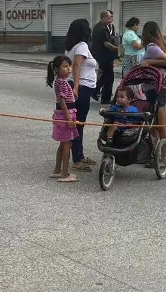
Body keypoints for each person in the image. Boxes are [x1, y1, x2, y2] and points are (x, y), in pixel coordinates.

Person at [63, 19, 97, 172]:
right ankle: (77, 159)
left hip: (80, 86)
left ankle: (79, 155)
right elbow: (77, 65)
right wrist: (76, 87)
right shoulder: (82, 46)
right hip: (81, 87)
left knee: (78, 123)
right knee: (78, 123)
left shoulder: (71, 47)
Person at [137, 21, 166, 149]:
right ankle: (154, 152)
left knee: (161, 126)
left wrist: (148, 62)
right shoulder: (156, 46)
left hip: (158, 89)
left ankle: (164, 155)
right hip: (154, 89)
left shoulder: (152, 47)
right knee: (155, 124)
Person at [47, 56, 79, 183]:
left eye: (70, 66)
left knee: (63, 143)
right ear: (56, 69)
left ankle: (57, 170)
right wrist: (68, 118)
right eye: (65, 66)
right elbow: (62, 101)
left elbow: (65, 98)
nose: (69, 69)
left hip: (65, 113)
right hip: (65, 115)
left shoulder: (62, 82)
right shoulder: (60, 82)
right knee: (67, 144)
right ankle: (65, 174)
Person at [90, 11, 118, 103]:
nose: (111, 20)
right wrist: (119, 50)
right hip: (102, 54)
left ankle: (96, 91)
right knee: (109, 77)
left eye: (111, 18)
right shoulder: (101, 29)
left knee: (106, 75)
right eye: (109, 18)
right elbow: (106, 44)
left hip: (107, 55)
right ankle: (104, 97)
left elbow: (111, 39)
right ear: (103, 18)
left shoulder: (108, 27)